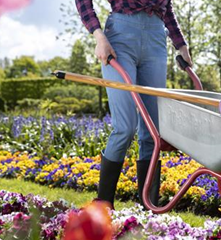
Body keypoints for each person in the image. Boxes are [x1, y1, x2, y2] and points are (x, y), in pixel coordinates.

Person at [75, 0, 192, 209]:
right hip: (120, 38)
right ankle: (103, 204)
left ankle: (149, 211)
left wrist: (181, 45)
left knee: (152, 132)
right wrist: (98, 36)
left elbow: (168, 10)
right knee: (125, 128)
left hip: (156, 38)